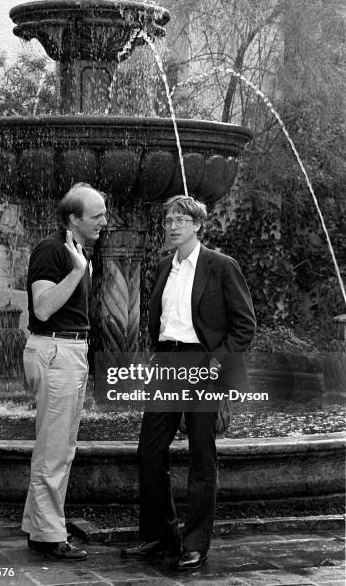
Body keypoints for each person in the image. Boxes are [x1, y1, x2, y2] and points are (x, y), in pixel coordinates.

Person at [122, 195, 256, 570]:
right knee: (149, 450)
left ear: (198, 225)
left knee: (201, 453)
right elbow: (158, 317)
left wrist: (216, 363)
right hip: (168, 362)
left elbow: (245, 324)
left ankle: (195, 543)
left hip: (203, 363)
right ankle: (159, 536)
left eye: (182, 219)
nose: (173, 225)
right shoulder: (165, 266)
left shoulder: (221, 266)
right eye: (169, 220)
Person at [21, 183, 107, 561]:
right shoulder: (52, 250)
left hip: (68, 351)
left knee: (59, 448)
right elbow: (41, 308)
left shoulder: (74, 250)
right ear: (74, 218)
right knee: (54, 450)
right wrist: (77, 271)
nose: (105, 221)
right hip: (55, 350)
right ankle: (49, 536)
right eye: (97, 215)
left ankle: (39, 527)